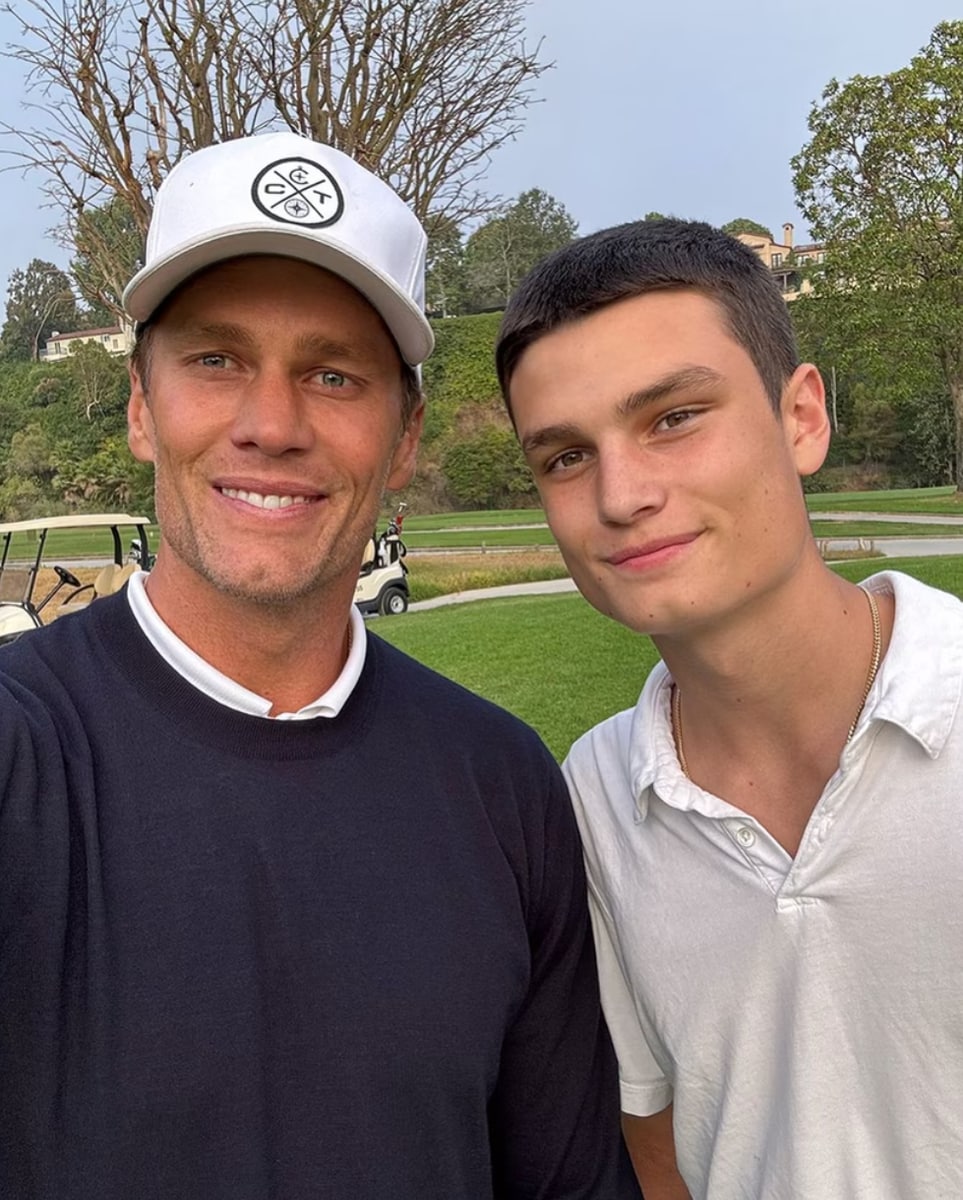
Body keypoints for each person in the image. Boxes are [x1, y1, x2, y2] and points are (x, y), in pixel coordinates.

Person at [0, 133, 639, 1200]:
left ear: (403, 439)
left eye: (333, 374)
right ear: (141, 407)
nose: (271, 425)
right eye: (215, 361)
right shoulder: (23, 757)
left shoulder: (502, 786)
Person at [495, 218, 963, 1200]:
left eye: (674, 418)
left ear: (802, 419)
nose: (622, 495)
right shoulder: (597, 796)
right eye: (567, 457)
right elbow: (655, 1137)